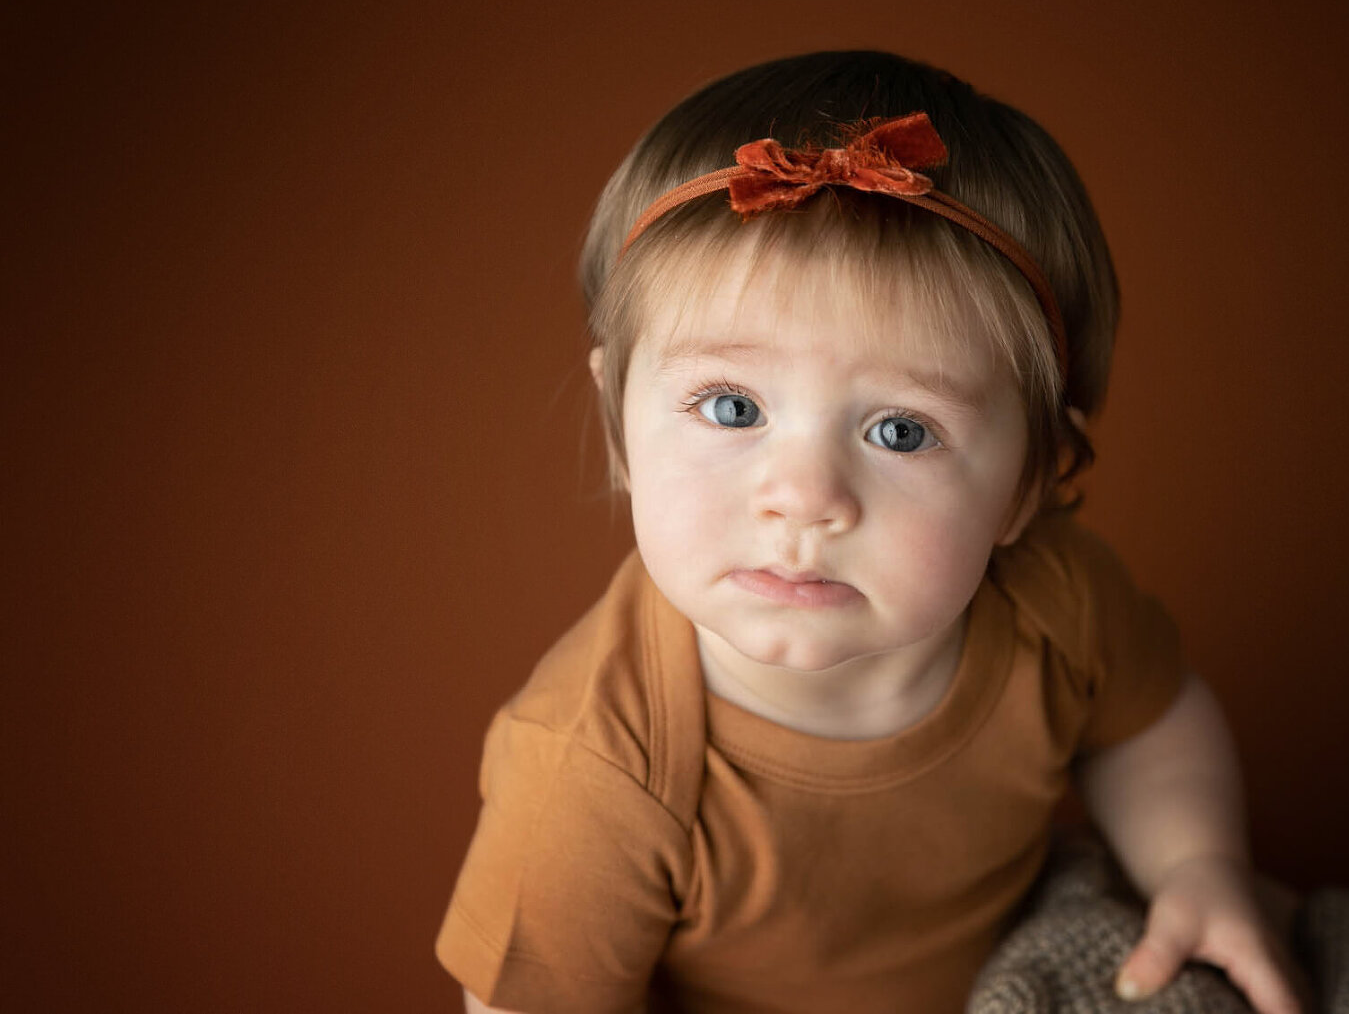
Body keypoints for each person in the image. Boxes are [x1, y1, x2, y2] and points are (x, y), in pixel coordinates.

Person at [437, 50, 1303, 1014]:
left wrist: (1197, 863)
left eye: (901, 431)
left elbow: (1152, 724)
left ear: (1028, 485)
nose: (804, 498)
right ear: (620, 426)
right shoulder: (594, 768)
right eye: (731, 407)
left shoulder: (1058, 605)